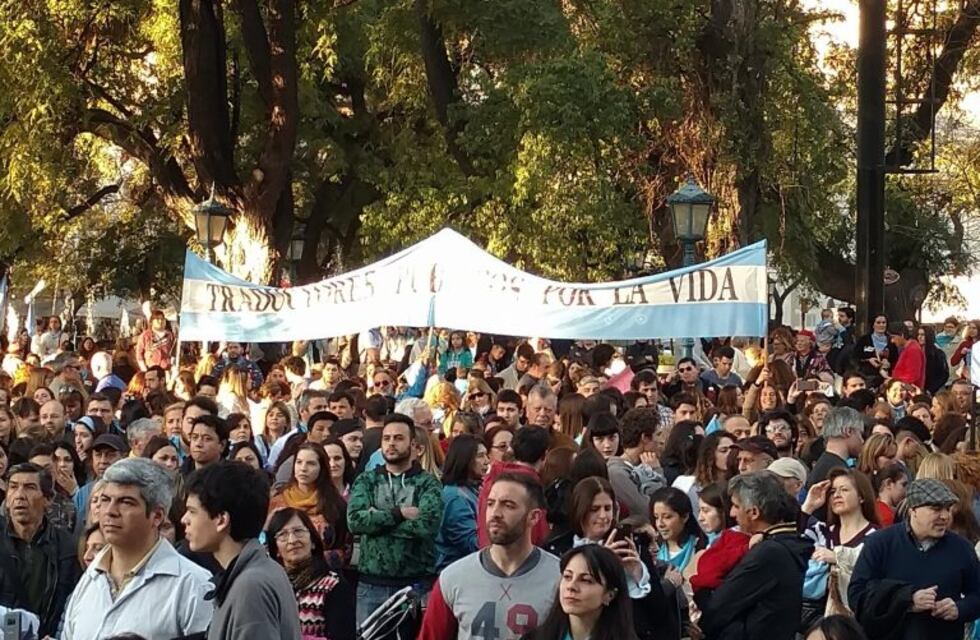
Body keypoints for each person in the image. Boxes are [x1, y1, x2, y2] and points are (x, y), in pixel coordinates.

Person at [62, 458, 213, 639]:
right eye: (105, 500)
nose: (110, 511)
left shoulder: (193, 585)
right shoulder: (90, 577)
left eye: (125, 502)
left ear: (157, 516)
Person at [419, 472, 561, 640]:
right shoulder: (454, 577)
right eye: (491, 504)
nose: (495, 513)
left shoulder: (559, 578)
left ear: (534, 517)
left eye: (508, 505)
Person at [182, 460, 301, 640]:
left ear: (221, 520)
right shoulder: (257, 572)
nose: (184, 519)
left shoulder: (251, 586)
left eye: (192, 511)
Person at [849, 478, 980, 640]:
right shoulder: (880, 543)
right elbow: (857, 595)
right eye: (936, 509)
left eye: (947, 509)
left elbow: (977, 594)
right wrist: (907, 599)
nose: (945, 516)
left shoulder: (961, 548)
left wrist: (959, 608)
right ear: (913, 510)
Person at [347, 413, 443, 625]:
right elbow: (355, 521)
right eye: (387, 438)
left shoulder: (428, 484)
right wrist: (398, 514)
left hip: (416, 587)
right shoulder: (367, 480)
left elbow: (426, 527)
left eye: (398, 438)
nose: (391, 443)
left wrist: (375, 522)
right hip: (372, 587)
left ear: (414, 445)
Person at [696, 471, 814, 640]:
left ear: (754, 512)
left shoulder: (768, 553)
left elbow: (720, 606)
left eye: (736, 506)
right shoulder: (787, 543)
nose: (731, 514)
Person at [0, 463, 79, 637]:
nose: (19, 495)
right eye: (13, 487)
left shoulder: (67, 548)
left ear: (47, 499)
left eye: (29, 488)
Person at [266, 507, 356, 640]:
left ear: (313, 541)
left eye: (298, 531)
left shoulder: (333, 586)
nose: (292, 540)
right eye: (283, 535)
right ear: (276, 549)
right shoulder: (271, 587)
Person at [520, 544, 640, 640]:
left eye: (586, 580)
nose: (571, 586)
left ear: (610, 595)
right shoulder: (535, 637)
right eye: (567, 577)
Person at [269, 442, 350, 569]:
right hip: (282, 575)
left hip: (325, 576)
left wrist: (314, 561)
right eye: (299, 462)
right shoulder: (277, 502)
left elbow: (345, 548)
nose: (303, 468)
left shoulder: (335, 504)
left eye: (311, 463)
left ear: (322, 468)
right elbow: (266, 542)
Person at [478, 426, 551, 547]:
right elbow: (538, 533)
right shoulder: (530, 486)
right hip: (521, 559)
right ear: (545, 455)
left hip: (486, 556)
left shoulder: (492, 479)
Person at [436, 434, 490, 570]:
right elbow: (473, 544)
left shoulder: (474, 489)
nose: (487, 461)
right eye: (480, 456)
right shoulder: (456, 497)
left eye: (486, 455)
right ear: (465, 459)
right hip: (454, 569)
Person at [607, 407, 667, 527]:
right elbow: (647, 511)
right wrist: (656, 473)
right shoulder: (617, 473)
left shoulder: (640, 466)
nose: (662, 441)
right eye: (658, 434)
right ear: (644, 438)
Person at [890, 322, 926, 390]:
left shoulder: (913, 349)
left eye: (893, 337)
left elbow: (912, 377)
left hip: (908, 392)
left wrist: (894, 382)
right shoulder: (908, 348)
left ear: (902, 335)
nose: (892, 341)